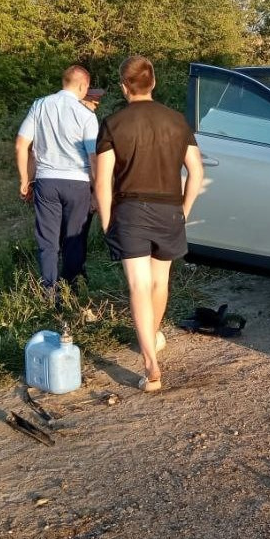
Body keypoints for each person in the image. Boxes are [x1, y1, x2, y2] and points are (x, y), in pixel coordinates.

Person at [94, 56, 204, 392]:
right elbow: (196, 172)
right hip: (169, 208)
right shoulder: (176, 121)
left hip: (130, 210)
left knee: (138, 286)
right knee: (159, 283)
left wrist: (106, 218)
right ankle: (152, 336)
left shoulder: (113, 123)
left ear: (123, 86)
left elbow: (101, 180)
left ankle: (149, 364)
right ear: (152, 82)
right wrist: (184, 208)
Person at [15, 65, 99, 304]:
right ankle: (70, 292)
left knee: (48, 241)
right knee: (73, 238)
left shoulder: (40, 105)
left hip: (46, 181)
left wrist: (25, 180)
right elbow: (93, 157)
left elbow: (22, 145)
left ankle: (49, 293)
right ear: (83, 86)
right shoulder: (86, 116)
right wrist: (97, 190)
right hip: (78, 183)